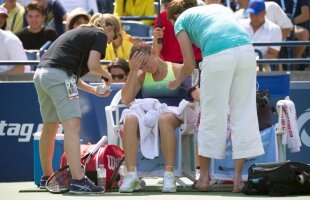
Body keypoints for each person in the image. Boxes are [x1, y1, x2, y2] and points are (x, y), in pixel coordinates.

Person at [166, 0, 264, 192]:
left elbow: (189, 65)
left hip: (218, 55)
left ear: (175, 16)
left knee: (211, 115)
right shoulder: (218, 9)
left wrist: (175, 82)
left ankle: (203, 179)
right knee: (243, 113)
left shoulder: (181, 21)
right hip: (246, 51)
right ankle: (238, 180)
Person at [33, 13, 120, 194]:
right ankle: (79, 180)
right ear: (110, 29)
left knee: (50, 126)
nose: (110, 42)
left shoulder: (80, 35)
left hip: (42, 75)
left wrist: (94, 90)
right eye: (114, 37)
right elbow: (94, 65)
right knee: (72, 127)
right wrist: (107, 75)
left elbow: (72, 78)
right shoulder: (100, 34)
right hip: (58, 76)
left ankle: (46, 177)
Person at [119, 41, 198, 193]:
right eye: (140, 66)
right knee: (129, 119)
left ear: (154, 53)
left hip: (174, 113)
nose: (145, 68)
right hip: (149, 115)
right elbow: (125, 99)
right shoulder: (141, 75)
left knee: (164, 118)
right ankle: (132, 175)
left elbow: (193, 93)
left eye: (145, 63)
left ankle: (169, 175)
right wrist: (133, 71)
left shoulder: (176, 69)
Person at [153, 0, 202, 65]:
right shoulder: (161, 17)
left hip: (196, 63)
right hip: (170, 65)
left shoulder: (198, 16)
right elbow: (156, 52)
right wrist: (156, 39)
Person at [239, 0, 282, 72]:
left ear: (264, 13)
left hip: (263, 65)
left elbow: (272, 54)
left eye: (256, 14)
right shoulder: (240, 25)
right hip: (241, 64)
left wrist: (256, 61)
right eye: (251, 13)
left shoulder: (275, 29)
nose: (253, 16)